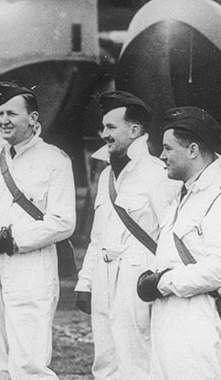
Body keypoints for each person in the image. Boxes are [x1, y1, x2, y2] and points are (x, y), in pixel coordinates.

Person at [0, 81, 75, 380]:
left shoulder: (55, 160)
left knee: (29, 362)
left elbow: (63, 221)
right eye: (0, 114)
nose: (3, 121)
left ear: (34, 119)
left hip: (30, 267)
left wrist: (14, 238)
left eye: (11, 113)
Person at [137, 106, 221, 379]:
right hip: (167, 316)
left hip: (196, 320)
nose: (161, 156)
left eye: (168, 148)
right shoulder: (183, 195)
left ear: (192, 150)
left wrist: (163, 282)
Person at [74, 91, 176, 379]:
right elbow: (98, 236)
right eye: (103, 126)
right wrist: (86, 281)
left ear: (134, 131)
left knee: (137, 359)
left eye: (110, 127)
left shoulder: (158, 174)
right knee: (105, 361)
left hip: (138, 277)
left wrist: (161, 282)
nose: (103, 134)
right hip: (105, 276)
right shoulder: (107, 175)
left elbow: (170, 236)